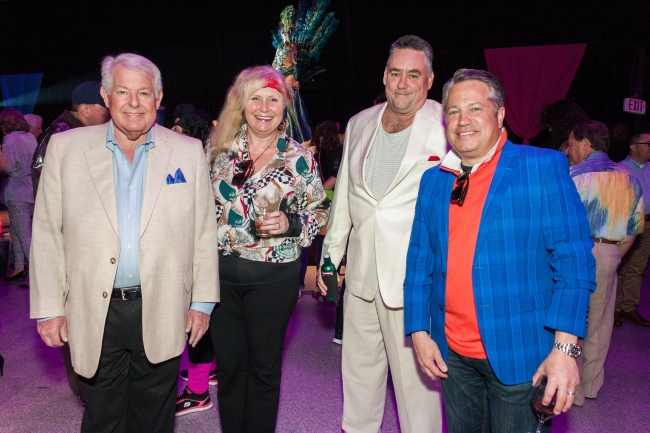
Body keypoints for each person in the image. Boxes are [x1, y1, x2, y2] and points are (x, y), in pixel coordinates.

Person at [30, 53, 219, 432]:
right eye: (122, 91)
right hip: (93, 307)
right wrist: (49, 308)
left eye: (144, 92)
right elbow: (47, 231)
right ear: (105, 96)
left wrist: (202, 303)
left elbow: (203, 232)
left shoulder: (187, 151)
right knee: (103, 417)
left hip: (164, 304)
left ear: (158, 98)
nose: (134, 102)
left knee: (155, 416)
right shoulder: (65, 149)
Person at [404, 68, 596, 432]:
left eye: (475, 109)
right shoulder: (433, 180)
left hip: (521, 351)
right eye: (454, 111)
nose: (463, 120)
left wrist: (565, 349)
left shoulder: (541, 167)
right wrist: (418, 330)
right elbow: (419, 261)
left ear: (500, 114)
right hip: (452, 355)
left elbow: (574, 262)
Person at [317, 35, 447, 433]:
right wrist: (329, 258)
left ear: (429, 80)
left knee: (416, 385)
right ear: (385, 76)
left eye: (414, 75)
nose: (403, 83)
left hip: (414, 279)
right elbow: (345, 199)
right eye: (395, 73)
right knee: (358, 373)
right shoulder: (359, 123)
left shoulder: (447, 124)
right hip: (360, 276)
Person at [207, 65, 328, 433]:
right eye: (255, 98)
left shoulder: (299, 157)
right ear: (242, 104)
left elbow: (320, 212)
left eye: (272, 99)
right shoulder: (218, 150)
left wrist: (291, 223)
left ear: (284, 106)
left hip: (274, 278)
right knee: (229, 369)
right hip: (220, 276)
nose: (264, 107)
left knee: (263, 368)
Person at [567, 120, 644, 406]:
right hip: (610, 252)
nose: (569, 150)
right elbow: (635, 228)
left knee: (570, 318)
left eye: (572, 144)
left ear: (586, 144)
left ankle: (569, 387)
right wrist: (613, 255)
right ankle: (590, 386)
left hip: (574, 253)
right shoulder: (629, 178)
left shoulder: (571, 176)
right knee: (599, 323)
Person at [171, 102, 218, 417]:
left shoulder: (198, 159)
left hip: (198, 251)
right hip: (202, 248)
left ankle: (198, 392)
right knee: (206, 318)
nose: (171, 133)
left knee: (197, 320)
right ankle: (209, 371)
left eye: (179, 129)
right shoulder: (206, 155)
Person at [31, 81, 110, 195]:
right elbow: (42, 177)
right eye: (106, 108)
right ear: (85, 110)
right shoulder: (61, 133)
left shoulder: (89, 132)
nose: (111, 113)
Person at [616, 130, 650, 327]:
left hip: (648, 224)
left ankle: (629, 307)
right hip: (627, 223)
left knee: (638, 268)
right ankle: (614, 308)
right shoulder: (620, 169)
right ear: (633, 146)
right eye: (647, 144)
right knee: (620, 265)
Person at [0, 108, 38, 282]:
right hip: (31, 189)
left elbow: (8, 167)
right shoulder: (30, 137)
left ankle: (39, 276)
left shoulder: (10, 139)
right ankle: (19, 268)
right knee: (16, 231)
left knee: (24, 236)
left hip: (17, 191)